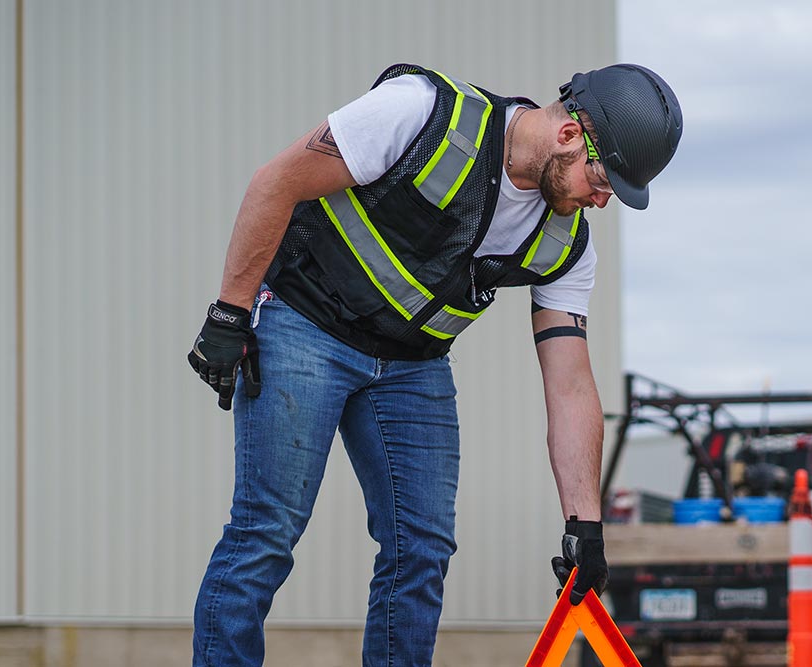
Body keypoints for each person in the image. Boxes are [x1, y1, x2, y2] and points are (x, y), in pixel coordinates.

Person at [187, 62, 682, 666]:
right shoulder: (422, 114)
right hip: (305, 325)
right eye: (605, 179)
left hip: (411, 366)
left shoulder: (567, 246)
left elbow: (572, 384)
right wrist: (230, 315)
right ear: (569, 135)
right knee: (267, 532)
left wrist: (586, 523)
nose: (604, 200)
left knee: (421, 548)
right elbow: (275, 183)